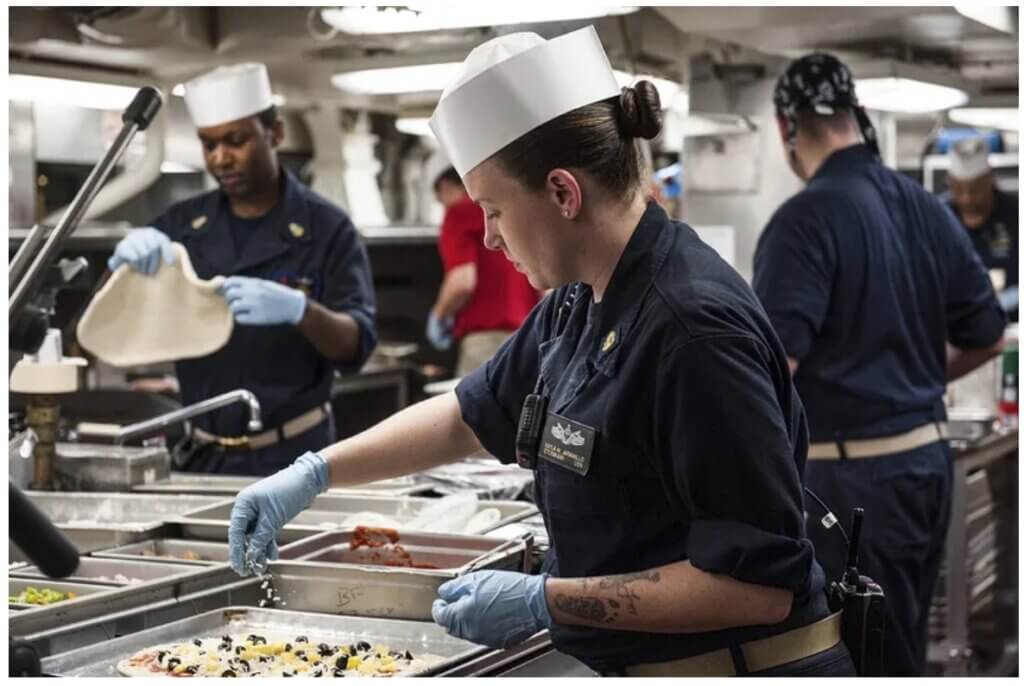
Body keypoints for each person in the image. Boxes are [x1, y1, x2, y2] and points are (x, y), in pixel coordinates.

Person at [225, 27, 855, 677]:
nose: (491, 240)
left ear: (562, 193)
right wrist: (314, 473)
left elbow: (755, 588)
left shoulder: (692, 334)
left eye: (494, 211)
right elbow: (469, 413)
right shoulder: (581, 299)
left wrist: (545, 603)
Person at [753, 53, 1007, 676]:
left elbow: (768, 371)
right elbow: (988, 333)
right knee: (902, 651)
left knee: (856, 660)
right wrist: (913, 374)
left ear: (788, 130)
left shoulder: (803, 220)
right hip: (925, 468)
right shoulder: (925, 208)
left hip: (851, 486)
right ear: (855, 118)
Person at [105, 63, 377, 476]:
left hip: (294, 456)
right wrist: (122, 271)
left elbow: (356, 346)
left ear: (275, 134)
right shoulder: (182, 225)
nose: (220, 158)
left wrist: (301, 310)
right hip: (202, 458)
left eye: (235, 140)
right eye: (209, 144)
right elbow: (108, 325)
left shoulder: (326, 227)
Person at [426, 166, 540, 376]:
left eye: (438, 199)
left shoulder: (458, 213)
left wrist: (439, 315)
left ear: (445, 187)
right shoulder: (509, 209)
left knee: (475, 408)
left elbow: (462, 282)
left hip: (485, 344)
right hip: (529, 339)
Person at [944, 136, 1019, 320]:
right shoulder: (939, 217)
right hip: (956, 324)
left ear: (989, 179)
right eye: (959, 189)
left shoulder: (1015, 214)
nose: (967, 199)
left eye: (975, 189)